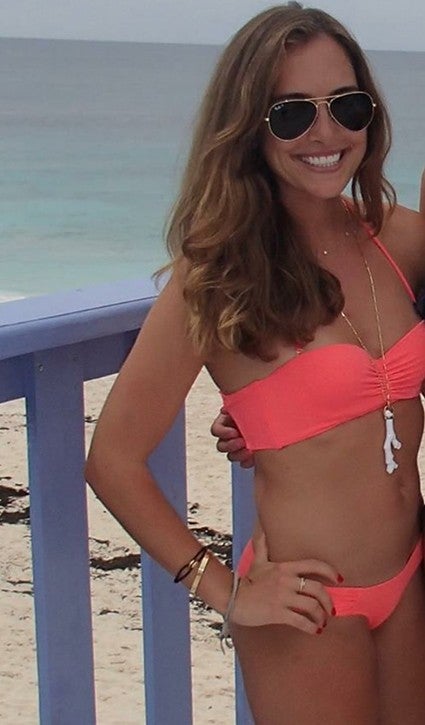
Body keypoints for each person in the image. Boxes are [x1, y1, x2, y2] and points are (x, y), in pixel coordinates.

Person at [85, 3, 425, 722]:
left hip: (411, 574)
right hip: (309, 608)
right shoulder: (219, 278)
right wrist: (221, 588)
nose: (325, 134)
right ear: (248, 127)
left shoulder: (394, 239)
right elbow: (112, 459)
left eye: (347, 105)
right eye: (291, 114)